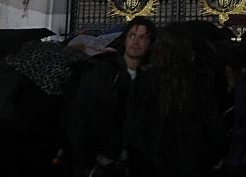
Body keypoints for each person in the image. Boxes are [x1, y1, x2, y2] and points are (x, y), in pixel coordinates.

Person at [123, 22, 224, 177]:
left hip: (153, 162)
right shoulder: (200, 79)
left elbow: (135, 125)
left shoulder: (146, 80)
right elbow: (211, 124)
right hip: (193, 162)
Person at [66, 17, 155, 176]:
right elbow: (82, 114)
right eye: (132, 35)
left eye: (143, 37)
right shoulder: (103, 72)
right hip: (103, 161)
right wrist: (94, 156)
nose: (136, 41)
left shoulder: (150, 78)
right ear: (125, 39)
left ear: (150, 43)